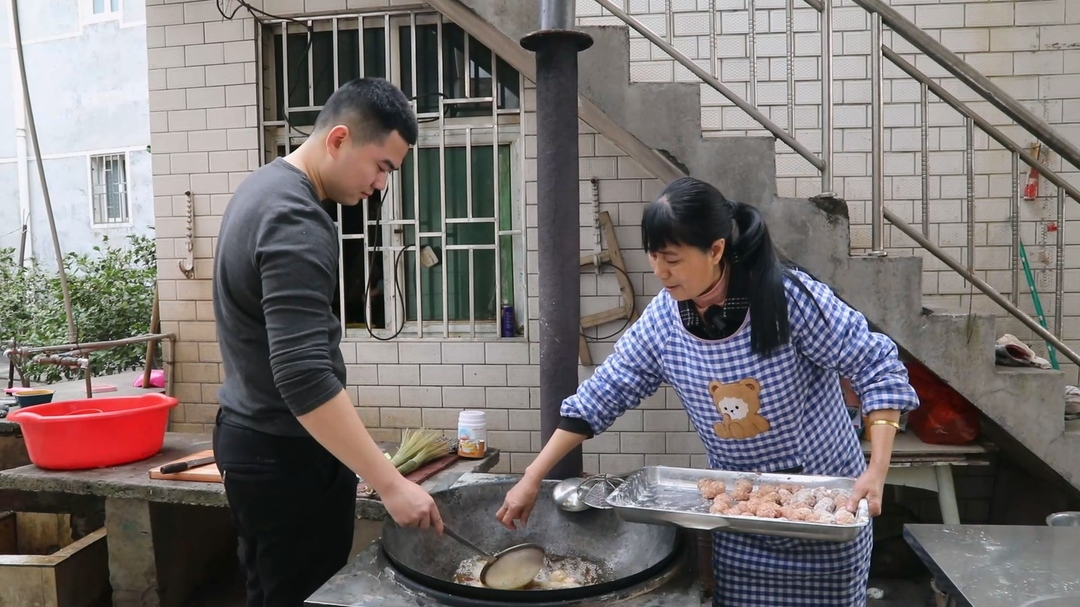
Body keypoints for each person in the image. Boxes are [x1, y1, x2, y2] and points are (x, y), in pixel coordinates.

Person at [496, 176, 919, 606]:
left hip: (826, 518)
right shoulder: (663, 321)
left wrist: (877, 469)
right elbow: (600, 395)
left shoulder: (787, 298)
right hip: (738, 525)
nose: (659, 272)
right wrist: (532, 478)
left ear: (716, 250)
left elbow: (877, 366)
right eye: (653, 256)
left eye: (673, 259)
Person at [212, 78, 444, 607]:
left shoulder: (261, 188)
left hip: (254, 441)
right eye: (382, 166)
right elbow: (303, 375)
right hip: (283, 457)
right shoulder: (296, 219)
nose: (382, 185)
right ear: (338, 139)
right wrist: (389, 482)